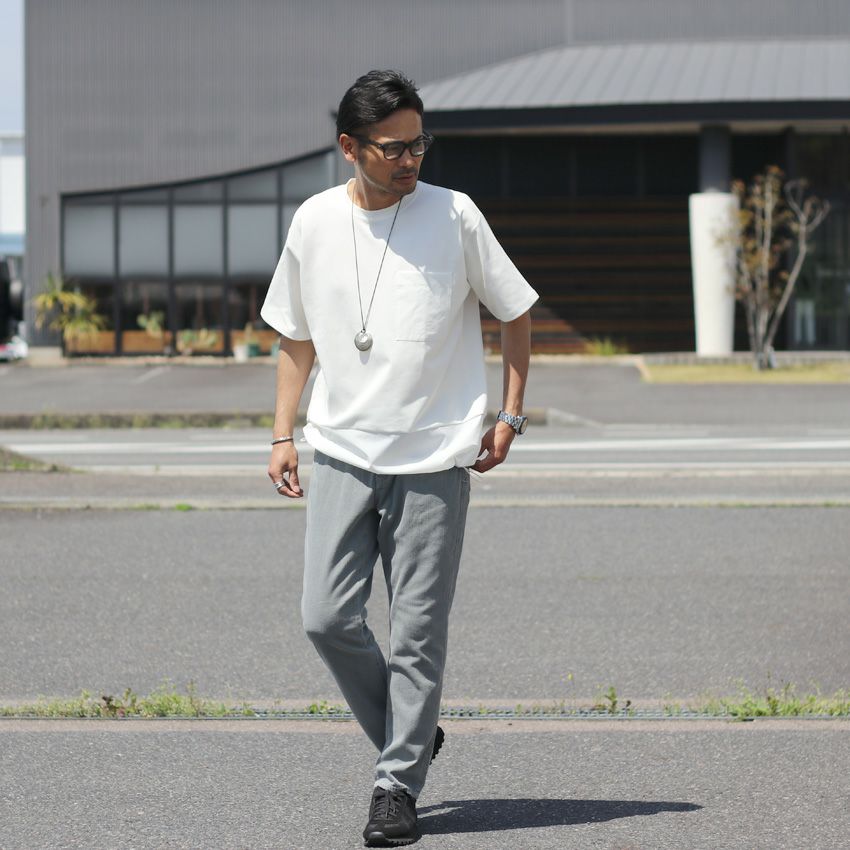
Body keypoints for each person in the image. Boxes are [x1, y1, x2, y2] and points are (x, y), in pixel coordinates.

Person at [261, 69, 537, 847]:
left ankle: (396, 786)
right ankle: (409, 732)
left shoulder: (455, 214)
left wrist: (510, 414)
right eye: (393, 148)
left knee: (417, 632)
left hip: (435, 457)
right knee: (325, 617)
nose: (410, 159)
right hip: (340, 450)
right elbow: (296, 338)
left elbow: (515, 312)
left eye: (419, 144)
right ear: (350, 148)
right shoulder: (315, 221)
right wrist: (282, 433)